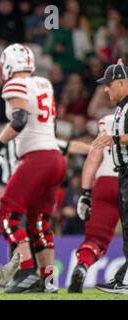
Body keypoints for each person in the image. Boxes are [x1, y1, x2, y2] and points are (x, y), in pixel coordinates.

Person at [0, 44, 66, 293]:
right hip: (55, 157)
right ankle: (48, 279)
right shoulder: (44, 83)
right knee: (40, 220)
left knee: (8, 216)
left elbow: (20, 120)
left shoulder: (14, 84)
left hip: (37, 157)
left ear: (8, 65)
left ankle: (26, 272)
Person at [68, 115, 119, 293]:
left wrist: (85, 193)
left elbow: (93, 159)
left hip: (105, 181)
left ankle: (83, 265)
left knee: (96, 239)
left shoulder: (109, 121)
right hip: (124, 180)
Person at [91, 60, 128, 294]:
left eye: (109, 84)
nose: (106, 89)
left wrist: (114, 139)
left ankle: (124, 280)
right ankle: (122, 278)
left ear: (123, 83)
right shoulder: (122, 106)